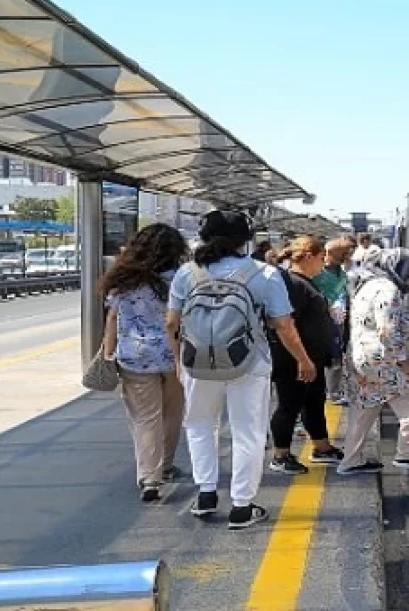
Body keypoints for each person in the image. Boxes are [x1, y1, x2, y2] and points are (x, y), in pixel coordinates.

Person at [165, 210, 317, 529]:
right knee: (247, 432)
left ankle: (206, 494)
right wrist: (303, 360)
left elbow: (171, 322)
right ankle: (241, 506)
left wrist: (180, 363)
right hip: (248, 363)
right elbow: (283, 326)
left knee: (199, 426)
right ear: (245, 240)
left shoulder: (186, 273)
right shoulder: (263, 273)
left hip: (198, 364)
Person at [98, 223, 190, 502]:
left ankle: (150, 479)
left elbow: (113, 318)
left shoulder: (124, 279)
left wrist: (107, 353)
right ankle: (167, 465)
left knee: (145, 418)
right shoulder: (182, 278)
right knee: (172, 413)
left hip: (135, 357)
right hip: (175, 356)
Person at [337, 246, 409, 475]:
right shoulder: (387, 290)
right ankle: (407, 454)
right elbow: (387, 331)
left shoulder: (368, 284)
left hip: (361, 358)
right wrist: (406, 362)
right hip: (382, 360)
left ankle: (350, 461)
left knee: (364, 408)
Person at [268, 236, 345, 473]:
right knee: (289, 404)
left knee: (313, 402)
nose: (323, 265)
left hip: (310, 358)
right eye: (321, 259)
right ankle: (280, 455)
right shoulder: (294, 284)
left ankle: (321, 447)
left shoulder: (303, 282)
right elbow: (286, 324)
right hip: (295, 359)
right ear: (309, 257)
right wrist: (302, 359)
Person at [313, 237, 355, 406]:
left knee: (336, 355)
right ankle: (332, 392)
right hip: (323, 319)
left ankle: (333, 390)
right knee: (331, 355)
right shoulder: (319, 272)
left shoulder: (342, 272)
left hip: (339, 318)